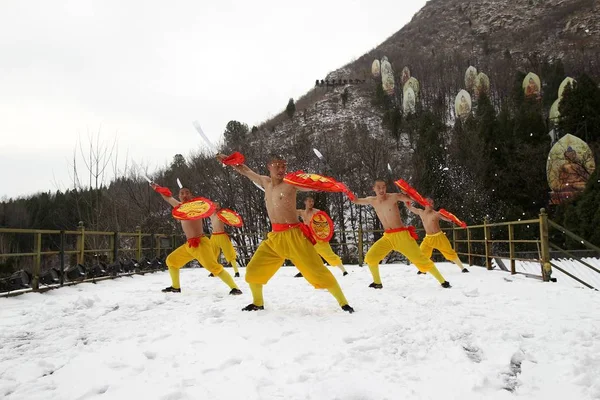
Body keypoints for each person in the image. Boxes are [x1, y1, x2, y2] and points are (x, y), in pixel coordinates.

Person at [218, 153, 354, 313]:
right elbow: (245, 170)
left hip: (295, 235)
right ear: (269, 167)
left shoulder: (291, 184)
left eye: (283, 165)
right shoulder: (265, 182)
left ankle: (344, 303)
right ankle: (258, 303)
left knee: (318, 271)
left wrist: (330, 182)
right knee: (254, 270)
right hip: (275, 238)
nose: (281, 169)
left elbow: (312, 185)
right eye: (277, 165)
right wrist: (228, 160)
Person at [351, 179, 451, 289]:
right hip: (388, 237)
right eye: (378, 187)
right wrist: (347, 192)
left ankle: (443, 281)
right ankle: (377, 283)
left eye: (383, 187)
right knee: (371, 257)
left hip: (402, 236)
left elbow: (411, 198)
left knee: (421, 260)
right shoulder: (371, 200)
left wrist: (407, 191)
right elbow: (356, 200)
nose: (381, 189)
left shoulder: (393, 196)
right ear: (373, 188)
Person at [150, 183, 242, 295]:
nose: (184, 195)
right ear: (179, 196)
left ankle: (235, 288)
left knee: (214, 267)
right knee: (171, 261)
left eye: (187, 193)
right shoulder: (179, 208)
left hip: (200, 243)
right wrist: (158, 188)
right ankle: (175, 286)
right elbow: (167, 197)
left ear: (191, 195)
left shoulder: (198, 207)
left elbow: (210, 206)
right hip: (189, 245)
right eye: (182, 193)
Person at [405, 198, 469, 273]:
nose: (431, 204)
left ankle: (462, 268)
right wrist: (407, 199)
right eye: (429, 202)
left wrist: (458, 222)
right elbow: (410, 207)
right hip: (428, 238)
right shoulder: (421, 212)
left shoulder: (436, 213)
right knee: (422, 253)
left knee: (449, 252)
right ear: (424, 203)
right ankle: (423, 269)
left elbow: (448, 218)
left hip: (439, 237)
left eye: (432, 203)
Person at [294, 195, 348, 278]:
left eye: (312, 201)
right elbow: (290, 212)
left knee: (329, 255)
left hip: (319, 238)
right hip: (309, 237)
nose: (311, 203)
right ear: (305, 202)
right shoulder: (302, 213)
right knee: (305, 254)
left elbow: (324, 224)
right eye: (309, 201)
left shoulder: (317, 212)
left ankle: (344, 271)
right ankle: (303, 271)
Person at [208, 202, 240, 278]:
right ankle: (213, 271)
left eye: (218, 206)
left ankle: (236, 271)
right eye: (215, 206)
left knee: (229, 253)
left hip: (222, 235)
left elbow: (230, 218)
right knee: (212, 254)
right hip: (214, 236)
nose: (216, 207)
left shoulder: (222, 214)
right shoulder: (211, 214)